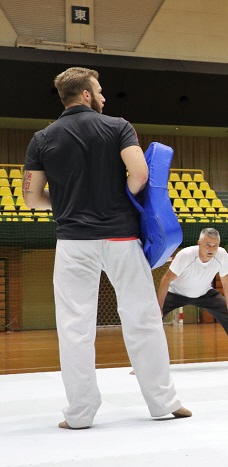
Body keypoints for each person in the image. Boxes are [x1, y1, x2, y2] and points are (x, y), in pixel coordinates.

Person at [23, 67, 191, 429]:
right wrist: (119, 196)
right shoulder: (118, 126)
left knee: (74, 327)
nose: (103, 96)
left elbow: (32, 198)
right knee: (143, 320)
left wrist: (69, 198)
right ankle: (164, 403)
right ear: (85, 94)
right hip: (120, 238)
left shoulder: (41, 138)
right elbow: (140, 174)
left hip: (73, 243)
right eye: (98, 90)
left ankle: (80, 415)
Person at [155, 228, 228, 368]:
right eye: (207, 245)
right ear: (199, 243)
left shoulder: (222, 255)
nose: (211, 249)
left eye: (215, 245)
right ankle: (143, 365)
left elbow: (226, 281)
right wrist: (158, 308)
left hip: (204, 294)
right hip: (176, 293)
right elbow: (165, 280)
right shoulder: (186, 255)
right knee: (152, 321)